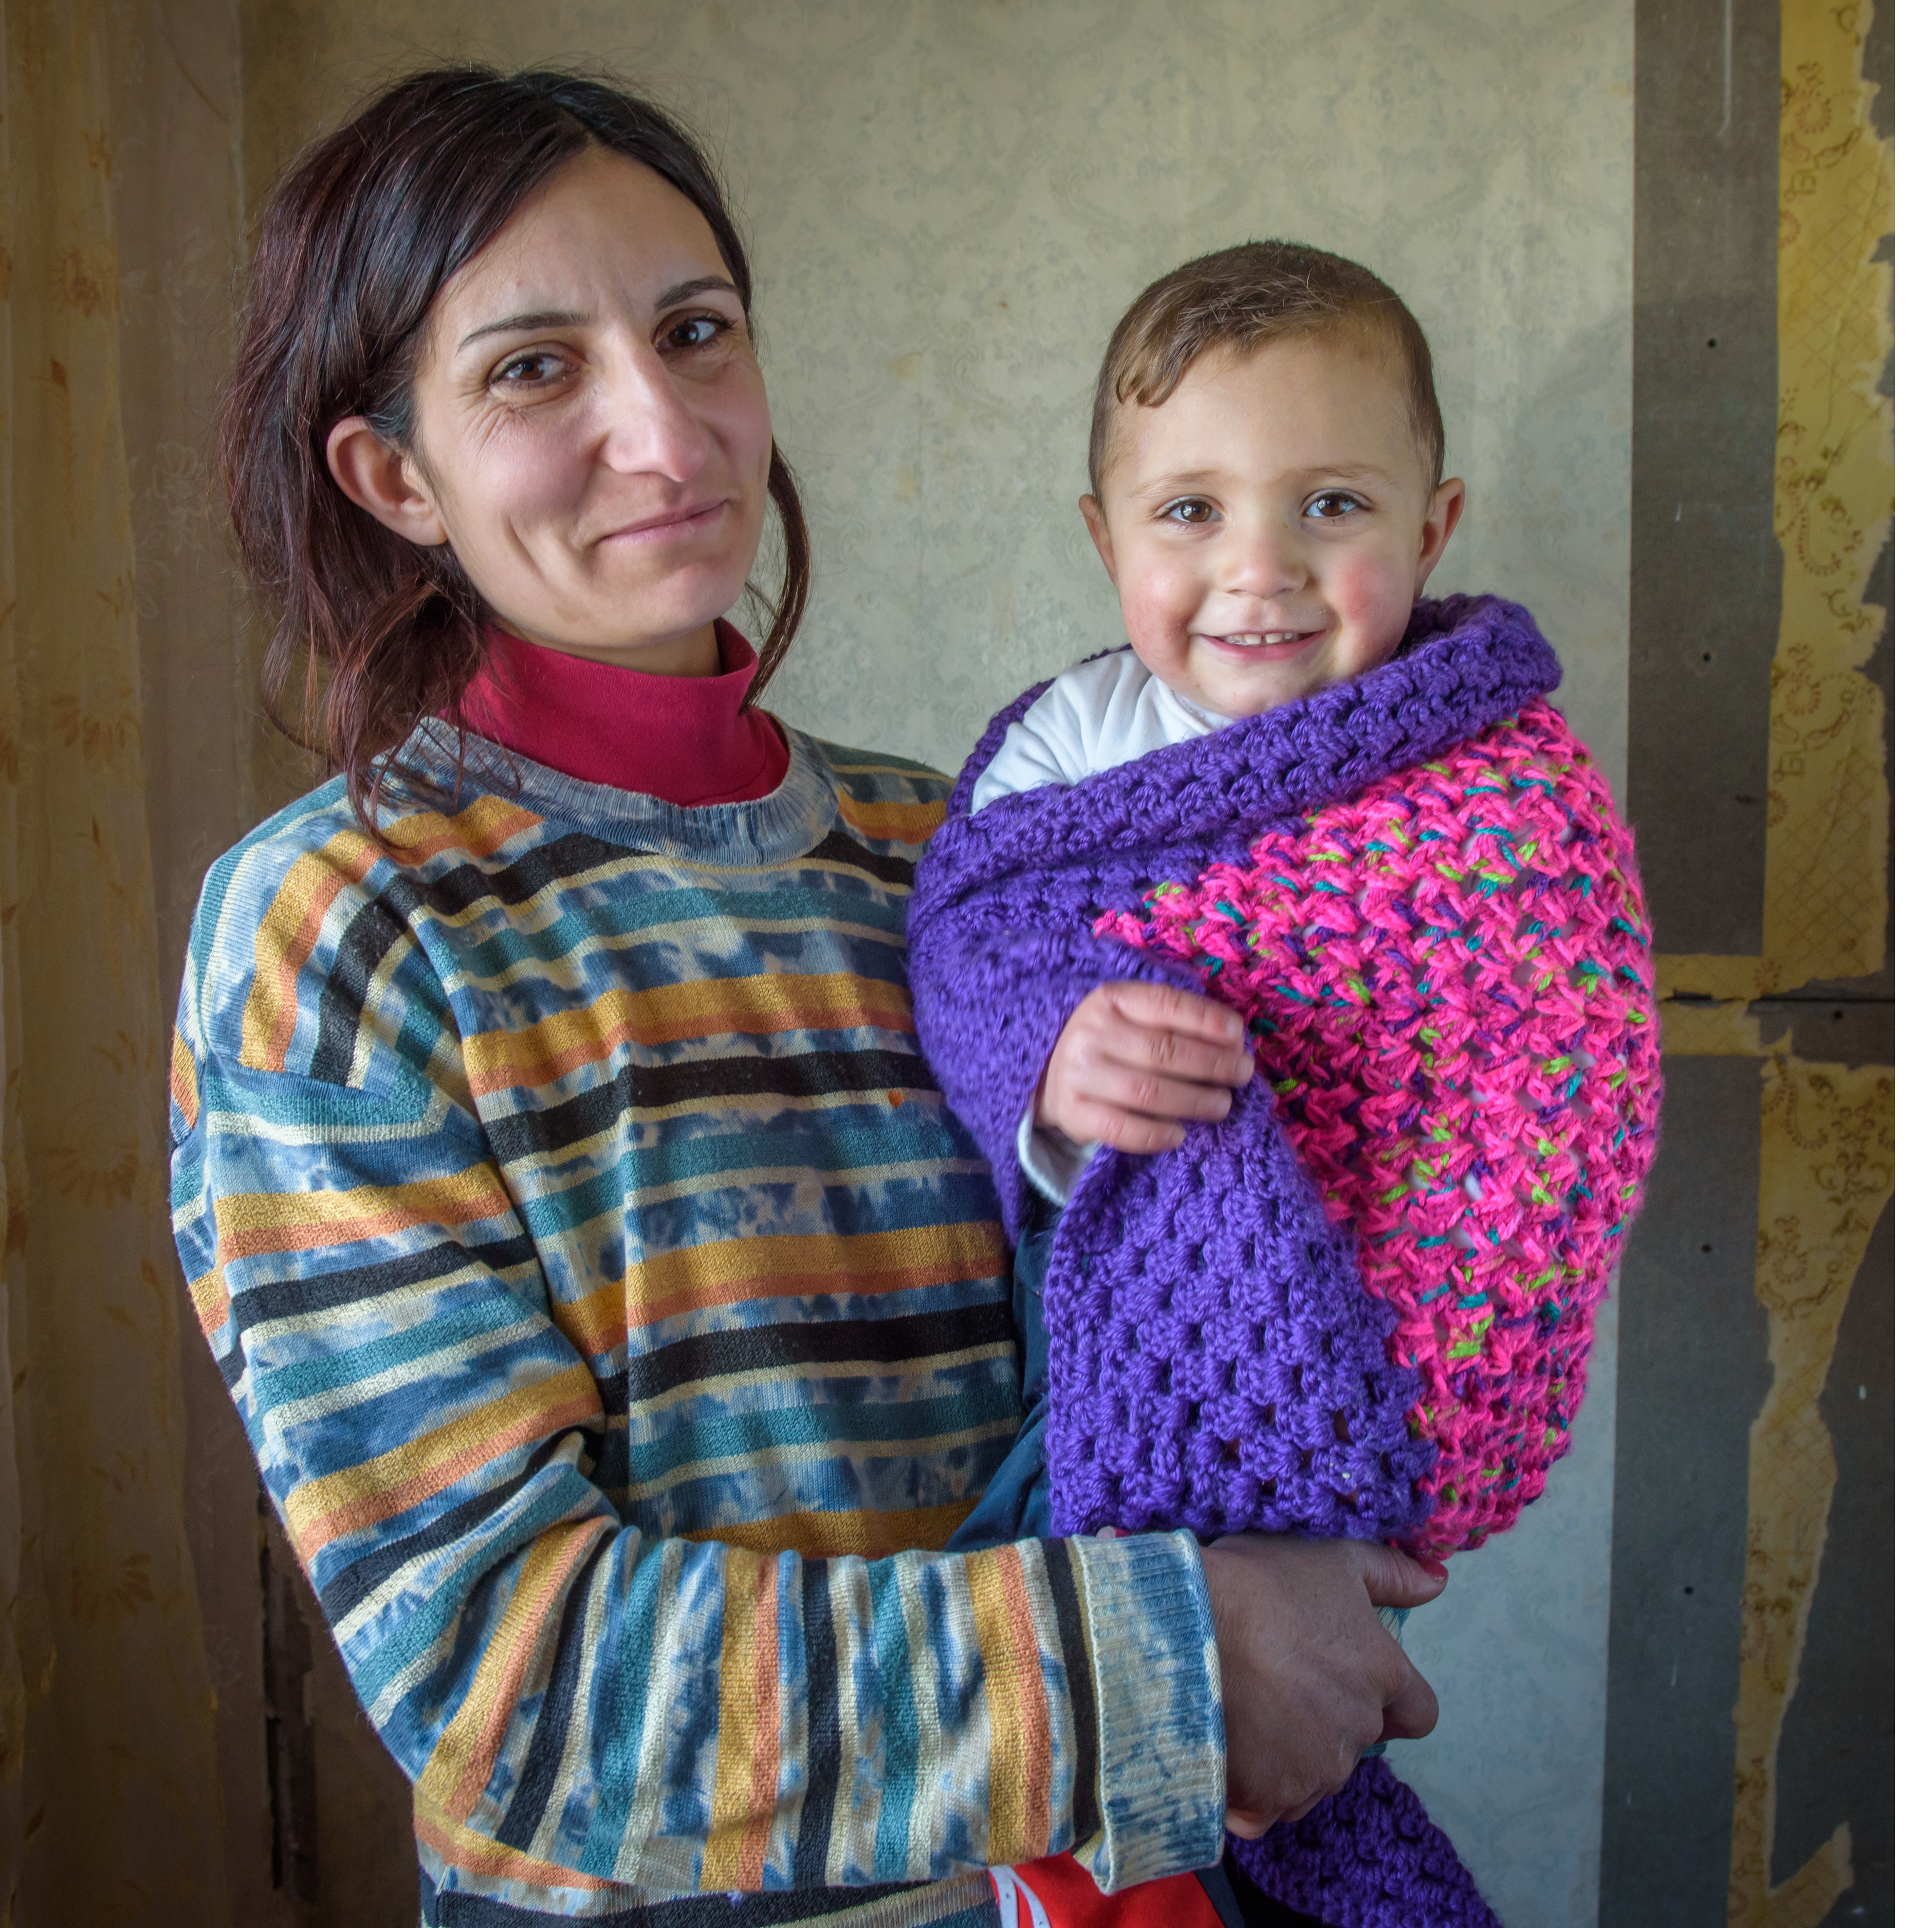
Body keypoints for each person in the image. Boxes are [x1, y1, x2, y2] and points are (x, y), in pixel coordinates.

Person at [170, 71, 1452, 1928]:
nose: (667, 429)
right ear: (393, 475)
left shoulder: (963, 850)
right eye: (536, 370)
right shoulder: (349, 928)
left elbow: (1180, 1311)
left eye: (698, 333)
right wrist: (1180, 1658)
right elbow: (511, 1690)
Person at [907, 245, 1661, 1921]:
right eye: (1188, 513)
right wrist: (1044, 1057)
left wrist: (1393, 1464)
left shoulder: (1496, 791)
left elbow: (1552, 1119)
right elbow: (964, 943)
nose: (1259, 572)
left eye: (1331, 504)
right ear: (1102, 536)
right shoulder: (1066, 742)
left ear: (1434, 526)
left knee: (1267, 1753)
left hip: (1350, 1390)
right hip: (1087, 1345)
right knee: (1074, 1717)